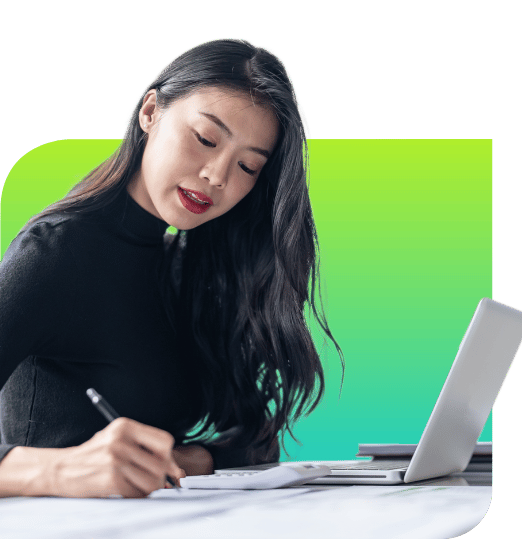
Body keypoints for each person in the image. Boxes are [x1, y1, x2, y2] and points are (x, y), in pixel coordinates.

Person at [0, 37, 344, 499]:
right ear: (149, 113)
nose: (218, 175)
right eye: (205, 139)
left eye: (247, 166)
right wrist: (57, 470)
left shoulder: (189, 266)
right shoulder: (54, 254)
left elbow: (254, 439)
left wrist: (184, 458)